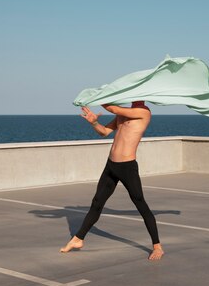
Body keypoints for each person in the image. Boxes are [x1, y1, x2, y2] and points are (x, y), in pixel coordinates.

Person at [60, 101, 164, 260]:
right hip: (111, 165)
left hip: (127, 167)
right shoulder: (122, 114)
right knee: (97, 202)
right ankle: (78, 239)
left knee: (140, 203)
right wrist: (94, 122)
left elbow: (113, 108)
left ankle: (157, 247)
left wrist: (98, 98)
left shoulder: (144, 112)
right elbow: (104, 132)